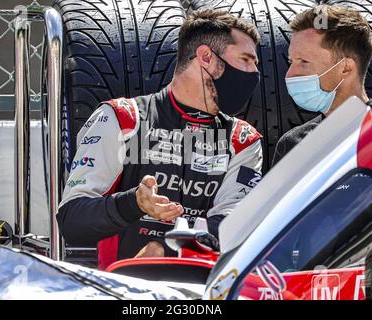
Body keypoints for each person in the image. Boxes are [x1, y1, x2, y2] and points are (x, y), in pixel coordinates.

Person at [57, 9, 264, 270]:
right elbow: (72, 221)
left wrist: (164, 247)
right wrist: (134, 202)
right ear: (206, 57)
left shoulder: (242, 140)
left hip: (204, 289)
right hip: (120, 284)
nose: (254, 73)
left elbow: (237, 224)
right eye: (246, 60)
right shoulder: (122, 118)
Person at [272, 4, 372, 166]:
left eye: (304, 61)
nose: (289, 74)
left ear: (346, 67)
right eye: (291, 61)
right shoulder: (292, 145)